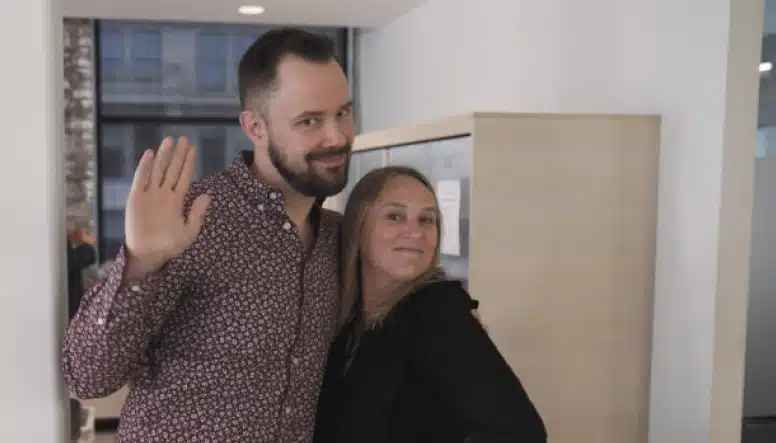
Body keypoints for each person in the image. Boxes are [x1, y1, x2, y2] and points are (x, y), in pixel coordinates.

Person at [62, 27, 354, 443]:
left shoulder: (335, 238)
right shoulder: (192, 219)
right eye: (310, 121)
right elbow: (87, 377)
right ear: (255, 127)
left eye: (343, 112)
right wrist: (141, 262)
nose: (337, 136)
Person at [314, 166, 547, 443]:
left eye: (427, 220)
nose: (415, 232)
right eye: (395, 216)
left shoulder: (438, 312)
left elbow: (519, 433)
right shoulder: (346, 319)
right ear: (358, 227)